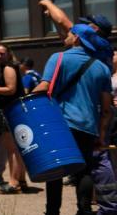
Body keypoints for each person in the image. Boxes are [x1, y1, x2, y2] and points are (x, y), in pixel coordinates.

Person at [32, 24, 113, 215]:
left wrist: (22, 103)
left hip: (59, 124)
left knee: (56, 170)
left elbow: (44, 87)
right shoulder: (102, 67)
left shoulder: (58, 58)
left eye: (69, 34)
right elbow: (107, 108)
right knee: (84, 170)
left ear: (76, 38)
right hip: (88, 126)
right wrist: (101, 135)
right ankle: (84, 210)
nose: (65, 37)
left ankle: (52, 212)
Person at [0, 44, 26, 194]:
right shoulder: (9, 67)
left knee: (12, 150)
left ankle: (13, 182)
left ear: (8, 54)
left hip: (9, 112)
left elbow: (11, 89)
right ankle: (20, 180)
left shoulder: (8, 68)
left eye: (2, 53)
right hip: (11, 112)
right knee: (16, 149)